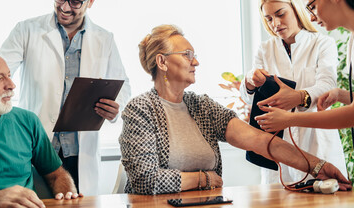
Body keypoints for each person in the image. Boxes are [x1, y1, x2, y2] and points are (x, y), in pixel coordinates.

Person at [118, 24, 351, 195]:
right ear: (162, 62)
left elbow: (260, 141)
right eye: (187, 55)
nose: (195, 62)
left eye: (195, 56)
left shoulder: (201, 106)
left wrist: (318, 166)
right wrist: (204, 178)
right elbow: (145, 180)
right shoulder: (140, 110)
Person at [0, 0, 131, 195]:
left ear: (91, 1)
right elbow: (0, 73)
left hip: (81, 154)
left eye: (75, 1)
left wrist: (115, 107)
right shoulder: (26, 30)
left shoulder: (104, 39)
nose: (64, 7)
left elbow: (123, 86)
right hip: (39, 150)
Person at [239, 0, 347, 184]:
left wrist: (298, 97)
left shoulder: (323, 43)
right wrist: (249, 82)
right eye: (268, 18)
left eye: (281, 14)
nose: (275, 23)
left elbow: (327, 85)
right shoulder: (265, 49)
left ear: (296, 9)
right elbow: (249, 99)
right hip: (279, 149)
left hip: (317, 142)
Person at [254, 0, 354, 133]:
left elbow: (351, 114)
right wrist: (340, 95)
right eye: (269, 19)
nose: (312, 17)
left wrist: (291, 117)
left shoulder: (323, 43)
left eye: (313, 7)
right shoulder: (352, 41)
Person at [0, 54, 82, 207]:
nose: (11, 85)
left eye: (9, 75)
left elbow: (56, 175)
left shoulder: (27, 120)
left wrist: (68, 195)